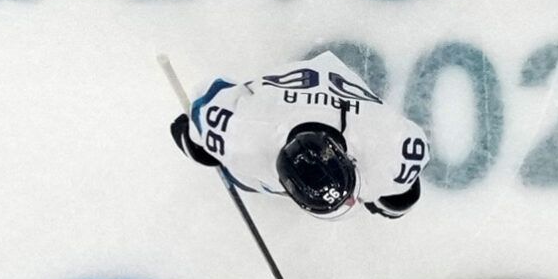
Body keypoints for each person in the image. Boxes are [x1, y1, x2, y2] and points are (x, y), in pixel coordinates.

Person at [170, 51, 429, 220]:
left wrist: (194, 140)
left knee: (399, 199)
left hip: (275, 111)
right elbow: (195, 115)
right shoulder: (243, 133)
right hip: (271, 119)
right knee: (398, 199)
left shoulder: (388, 143)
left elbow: (198, 109)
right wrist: (196, 139)